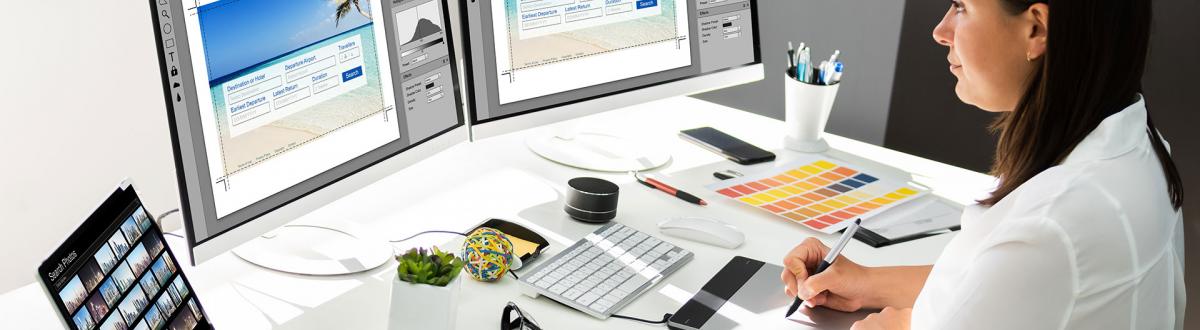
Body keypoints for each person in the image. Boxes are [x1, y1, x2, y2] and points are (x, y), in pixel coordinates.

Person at [780, 0, 1186, 329]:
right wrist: (867, 283)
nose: (940, 31)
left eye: (960, 7)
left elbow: (1020, 270)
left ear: (1037, 29)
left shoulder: (1054, 224)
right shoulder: (1134, 143)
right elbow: (1000, 286)